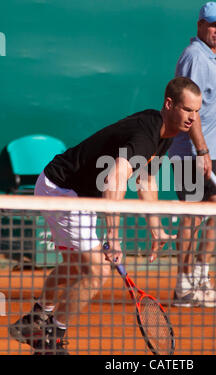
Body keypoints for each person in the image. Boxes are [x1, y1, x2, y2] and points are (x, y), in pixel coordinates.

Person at [8, 76, 202, 355]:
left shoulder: (163, 134)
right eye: (187, 110)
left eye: (196, 111)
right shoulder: (145, 135)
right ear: (169, 104)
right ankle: (51, 337)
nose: (192, 118)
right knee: (97, 271)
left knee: (76, 266)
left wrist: (156, 228)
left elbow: (145, 180)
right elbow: (115, 178)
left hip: (71, 191)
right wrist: (114, 236)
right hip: (63, 190)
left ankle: (35, 319)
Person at [168, 2, 216, 308]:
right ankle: (186, 284)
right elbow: (189, 108)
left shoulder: (209, 56)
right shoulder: (196, 56)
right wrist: (201, 150)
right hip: (193, 152)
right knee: (193, 215)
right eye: (212, 24)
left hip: (207, 151)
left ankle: (198, 276)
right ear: (199, 25)